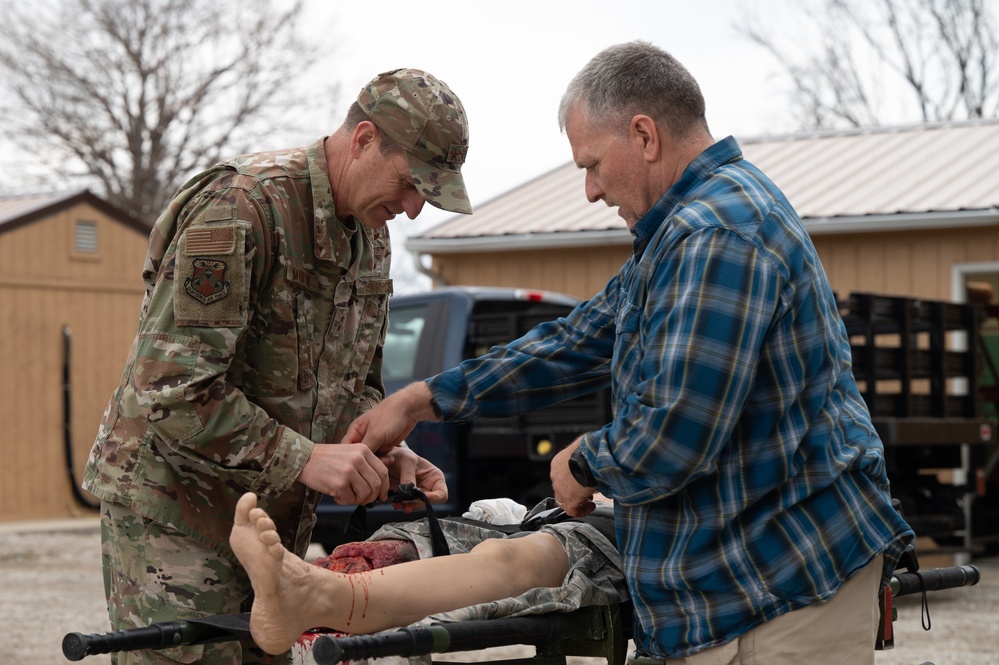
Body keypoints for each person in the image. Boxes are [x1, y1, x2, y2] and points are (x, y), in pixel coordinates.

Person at [344, 42, 915, 664]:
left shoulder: (716, 233)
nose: (590, 190)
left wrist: (583, 461)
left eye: (591, 163)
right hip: (742, 581)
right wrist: (425, 398)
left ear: (643, 134)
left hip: (779, 587)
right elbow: (579, 338)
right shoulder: (681, 232)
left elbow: (675, 434)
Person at [83, 68, 467, 665]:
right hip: (180, 514)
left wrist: (381, 449)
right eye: (411, 184)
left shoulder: (370, 235)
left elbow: (350, 381)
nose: (414, 209)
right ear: (364, 139)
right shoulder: (240, 208)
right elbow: (172, 389)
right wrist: (307, 458)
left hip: (271, 522)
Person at [228, 491, 626, 654]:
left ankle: (322, 596)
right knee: (411, 544)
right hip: (554, 516)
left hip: (619, 534)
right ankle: (316, 585)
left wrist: (586, 460)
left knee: (512, 560)